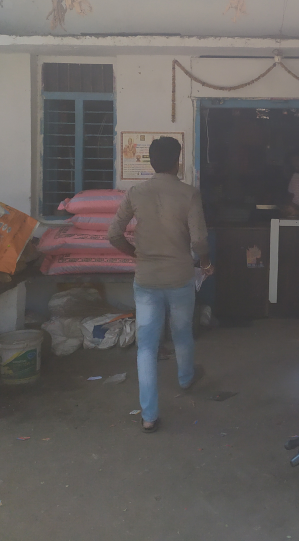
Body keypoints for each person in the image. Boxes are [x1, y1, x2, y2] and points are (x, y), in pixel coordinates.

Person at [108, 136, 213, 434]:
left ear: (151, 162)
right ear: (177, 161)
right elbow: (199, 241)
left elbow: (113, 234)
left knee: (146, 347)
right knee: (182, 333)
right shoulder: (189, 194)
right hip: (179, 277)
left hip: (147, 278)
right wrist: (205, 263)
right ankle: (185, 378)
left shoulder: (136, 193)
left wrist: (136, 254)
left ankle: (149, 415)